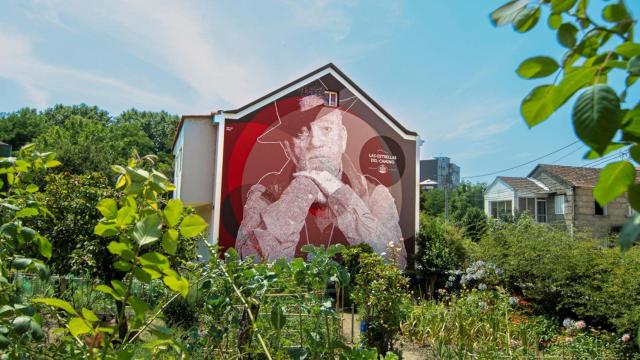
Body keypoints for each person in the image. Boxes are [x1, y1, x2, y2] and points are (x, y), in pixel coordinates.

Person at [236, 97, 406, 266]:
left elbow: (395, 264)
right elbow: (250, 265)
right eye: (301, 133)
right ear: (288, 147)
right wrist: (302, 189)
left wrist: (340, 195)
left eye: (326, 128)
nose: (315, 142)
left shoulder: (374, 194)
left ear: (342, 138)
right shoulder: (264, 195)